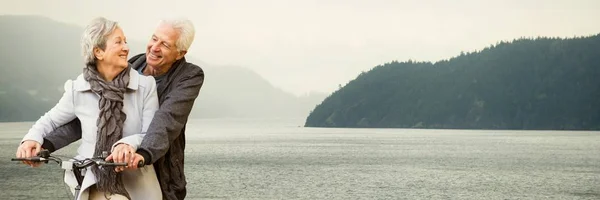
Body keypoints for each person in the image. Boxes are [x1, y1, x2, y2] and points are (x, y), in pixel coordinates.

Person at [28, 18, 205, 200]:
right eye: (154, 38)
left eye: (165, 44)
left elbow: (166, 120)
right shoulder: (131, 66)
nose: (154, 47)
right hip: (114, 166)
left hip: (158, 165)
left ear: (180, 53)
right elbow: (91, 119)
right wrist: (44, 144)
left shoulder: (189, 76)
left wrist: (141, 153)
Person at [15, 17, 162, 199]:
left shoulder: (145, 86)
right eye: (118, 42)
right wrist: (31, 139)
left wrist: (128, 144)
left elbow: (151, 132)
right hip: (92, 177)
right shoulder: (79, 88)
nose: (126, 48)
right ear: (98, 52)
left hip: (136, 178)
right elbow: (51, 120)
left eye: (125, 41)